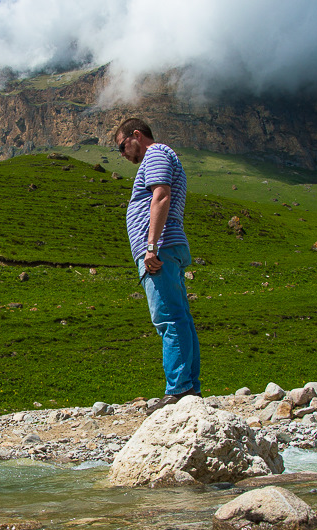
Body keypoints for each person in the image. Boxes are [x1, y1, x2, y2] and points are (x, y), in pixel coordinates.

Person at [114, 118, 201, 413]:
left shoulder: (155, 154)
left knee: (169, 317)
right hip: (168, 245)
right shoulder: (162, 156)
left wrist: (150, 246)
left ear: (136, 135)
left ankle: (178, 389)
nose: (123, 154)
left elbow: (160, 196)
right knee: (180, 317)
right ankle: (189, 387)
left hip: (160, 248)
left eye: (122, 146)